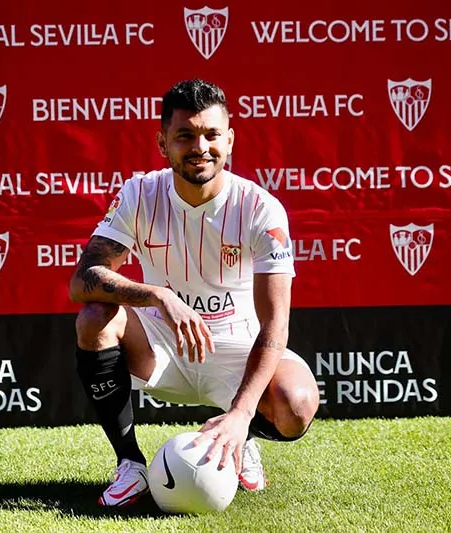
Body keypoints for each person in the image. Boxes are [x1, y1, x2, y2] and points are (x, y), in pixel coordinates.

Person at [69, 79, 320, 508]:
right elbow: (83, 280)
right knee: (94, 317)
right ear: (163, 143)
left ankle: (239, 436)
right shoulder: (139, 193)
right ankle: (130, 466)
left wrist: (242, 415)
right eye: (185, 135)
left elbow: (276, 324)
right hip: (161, 345)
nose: (199, 146)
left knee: (296, 407)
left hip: (238, 351)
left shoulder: (261, 208)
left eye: (211, 135)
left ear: (230, 140)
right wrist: (158, 296)